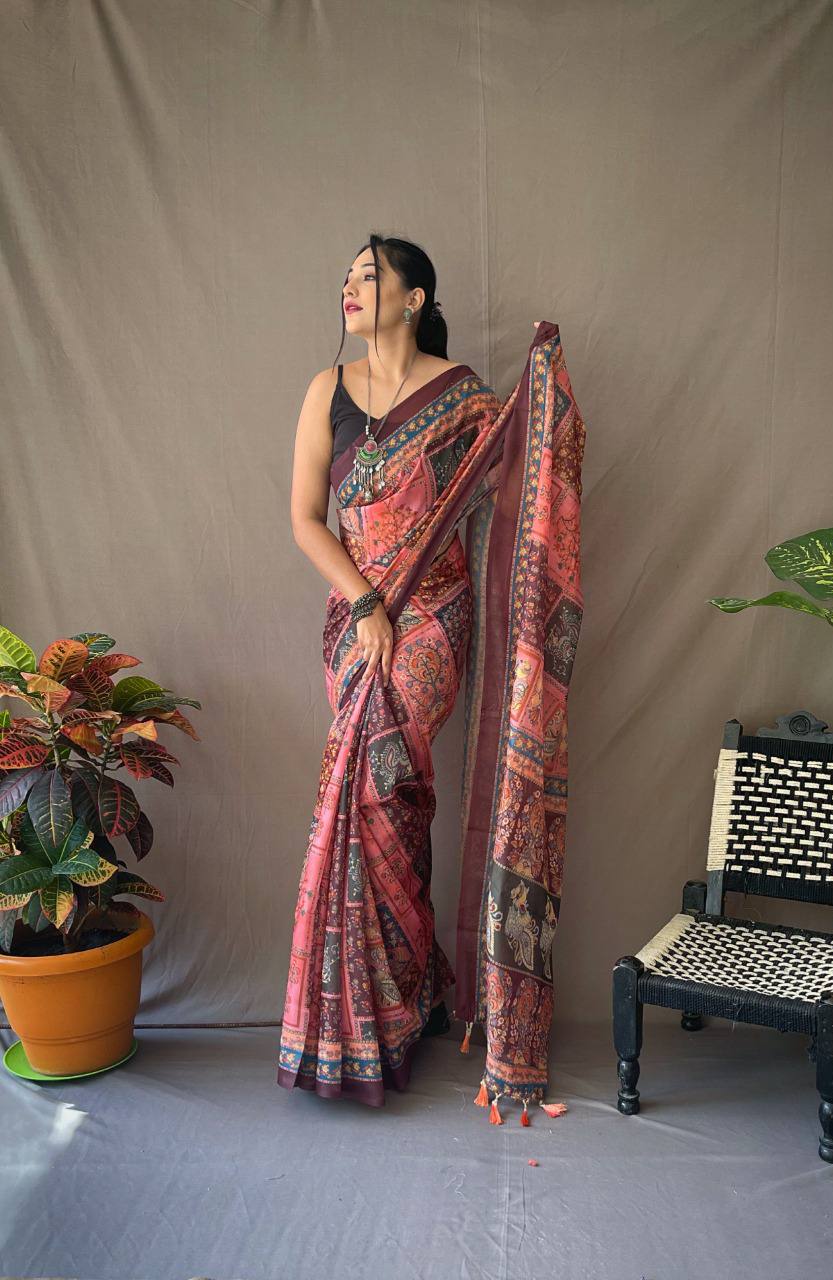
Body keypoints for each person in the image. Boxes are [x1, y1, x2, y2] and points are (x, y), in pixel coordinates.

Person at [277, 233, 585, 1126]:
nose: (350, 287)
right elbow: (304, 521)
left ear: (414, 298)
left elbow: (518, 495)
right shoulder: (323, 394)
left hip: (435, 619)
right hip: (355, 620)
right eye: (345, 276)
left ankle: (388, 1010)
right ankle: (401, 1006)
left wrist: (540, 391)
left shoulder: (463, 400)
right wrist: (366, 603)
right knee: (387, 798)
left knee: (382, 787)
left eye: (368, 276)